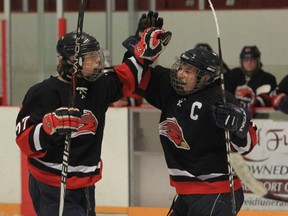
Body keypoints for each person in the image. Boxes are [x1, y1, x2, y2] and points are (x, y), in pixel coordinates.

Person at [15, 27, 171, 215]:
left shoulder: (98, 85)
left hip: (86, 186)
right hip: (53, 186)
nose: (98, 61)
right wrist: (47, 127)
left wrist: (141, 51)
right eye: (91, 57)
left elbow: (126, 77)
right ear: (73, 61)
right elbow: (24, 140)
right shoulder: (43, 92)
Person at [123, 26, 257, 215]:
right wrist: (139, 49)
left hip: (217, 191)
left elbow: (247, 145)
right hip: (186, 193)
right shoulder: (170, 87)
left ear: (206, 77)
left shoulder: (219, 99)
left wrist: (239, 127)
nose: (180, 74)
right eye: (181, 68)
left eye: (189, 71)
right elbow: (134, 78)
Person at [225, 45, 277, 116]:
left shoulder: (268, 78)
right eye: (246, 60)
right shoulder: (233, 75)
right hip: (234, 116)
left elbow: (268, 99)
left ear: (258, 61)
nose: (249, 63)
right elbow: (226, 94)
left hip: (259, 117)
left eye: (252, 60)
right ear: (241, 62)